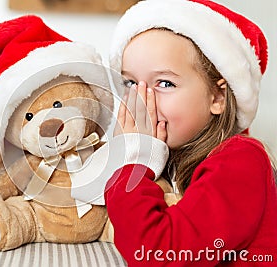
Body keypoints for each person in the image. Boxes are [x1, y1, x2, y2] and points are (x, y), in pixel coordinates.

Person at [103, 0, 277, 266]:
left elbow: (160, 254)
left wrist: (135, 162)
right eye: (130, 82)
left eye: (164, 83)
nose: (141, 99)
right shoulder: (167, 160)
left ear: (217, 96)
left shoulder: (242, 160)